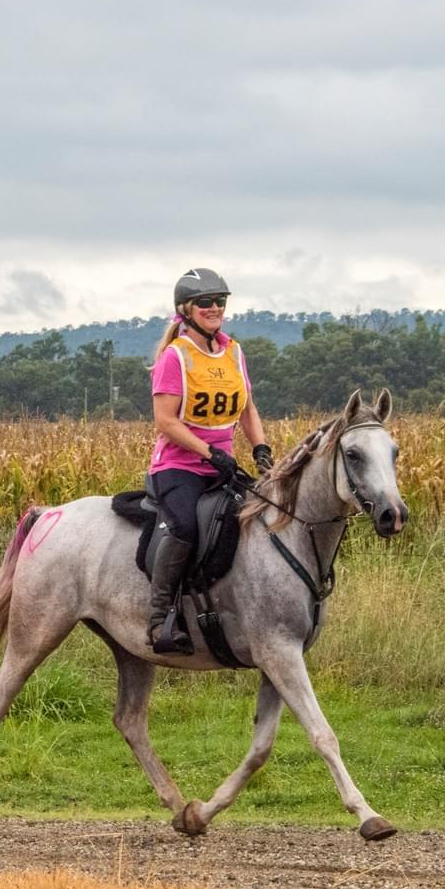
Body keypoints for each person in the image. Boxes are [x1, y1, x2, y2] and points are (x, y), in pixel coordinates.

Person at [147, 268, 274, 653]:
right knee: (185, 526)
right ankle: (159, 617)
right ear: (185, 309)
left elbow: (247, 408)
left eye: (220, 300)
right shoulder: (176, 357)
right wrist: (209, 452)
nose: (215, 307)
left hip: (223, 467)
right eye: (205, 302)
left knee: (259, 520)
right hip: (179, 467)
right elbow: (165, 421)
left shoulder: (234, 351)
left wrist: (261, 448)